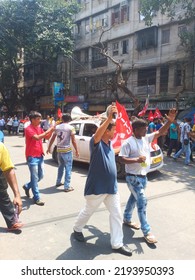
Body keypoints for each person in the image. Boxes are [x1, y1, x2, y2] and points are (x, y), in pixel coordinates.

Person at [73, 104, 133, 257]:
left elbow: (114, 153)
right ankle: (77, 228)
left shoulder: (109, 144)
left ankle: (117, 243)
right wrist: (108, 119)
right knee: (88, 210)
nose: (115, 132)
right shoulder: (97, 143)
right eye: (113, 130)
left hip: (111, 188)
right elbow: (97, 135)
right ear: (106, 130)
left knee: (116, 214)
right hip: (97, 187)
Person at [119, 108, 177, 244]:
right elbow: (121, 158)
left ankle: (127, 218)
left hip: (143, 176)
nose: (146, 131)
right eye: (144, 129)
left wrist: (169, 122)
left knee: (134, 198)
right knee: (142, 201)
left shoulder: (146, 138)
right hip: (132, 177)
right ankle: (147, 231)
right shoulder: (128, 142)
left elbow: (160, 132)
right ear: (136, 129)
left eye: (146, 129)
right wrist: (136, 160)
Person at [23, 111, 55, 206]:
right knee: (35, 177)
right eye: (38, 119)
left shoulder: (39, 128)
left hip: (40, 155)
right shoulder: (28, 129)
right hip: (32, 157)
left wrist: (52, 130)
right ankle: (36, 197)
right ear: (32, 119)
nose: (40, 120)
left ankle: (27, 186)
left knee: (40, 176)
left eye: (40, 118)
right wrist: (48, 131)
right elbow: (37, 138)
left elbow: (47, 136)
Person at [47, 113, 79, 192]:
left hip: (59, 150)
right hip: (67, 150)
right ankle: (67, 186)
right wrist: (76, 150)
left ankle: (58, 182)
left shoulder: (57, 127)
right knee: (68, 168)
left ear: (62, 119)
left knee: (61, 166)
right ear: (69, 120)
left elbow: (52, 138)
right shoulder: (71, 128)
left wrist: (48, 148)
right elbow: (73, 140)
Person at [0, 142, 23, 231]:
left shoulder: (0, 147)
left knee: (3, 197)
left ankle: (12, 222)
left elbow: (9, 169)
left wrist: (17, 195)